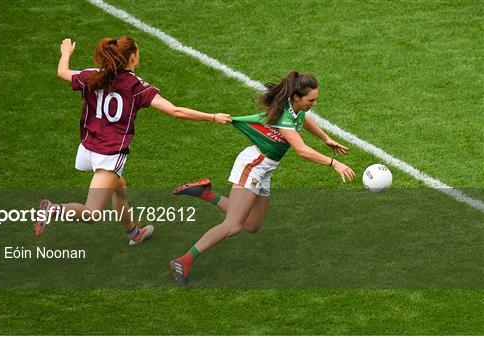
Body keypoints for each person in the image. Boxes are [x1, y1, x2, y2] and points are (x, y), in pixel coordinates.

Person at [34, 36, 231, 246]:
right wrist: (212, 116)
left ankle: (134, 232)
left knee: (119, 188)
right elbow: (175, 111)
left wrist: (65, 54)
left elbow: (62, 72)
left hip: (88, 148)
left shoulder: (93, 75)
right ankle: (54, 209)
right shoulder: (135, 86)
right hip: (109, 155)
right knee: (92, 213)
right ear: (133, 57)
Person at [170, 71, 356, 284]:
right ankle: (183, 260)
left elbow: (304, 119)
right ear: (296, 97)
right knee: (232, 225)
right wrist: (334, 163)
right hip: (253, 165)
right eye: (311, 100)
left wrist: (326, 138)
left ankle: (206, 193)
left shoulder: (293, 108)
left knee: (252, 225)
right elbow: (302, 150)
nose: (314, 103)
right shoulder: (284, 117)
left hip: (265, 168)